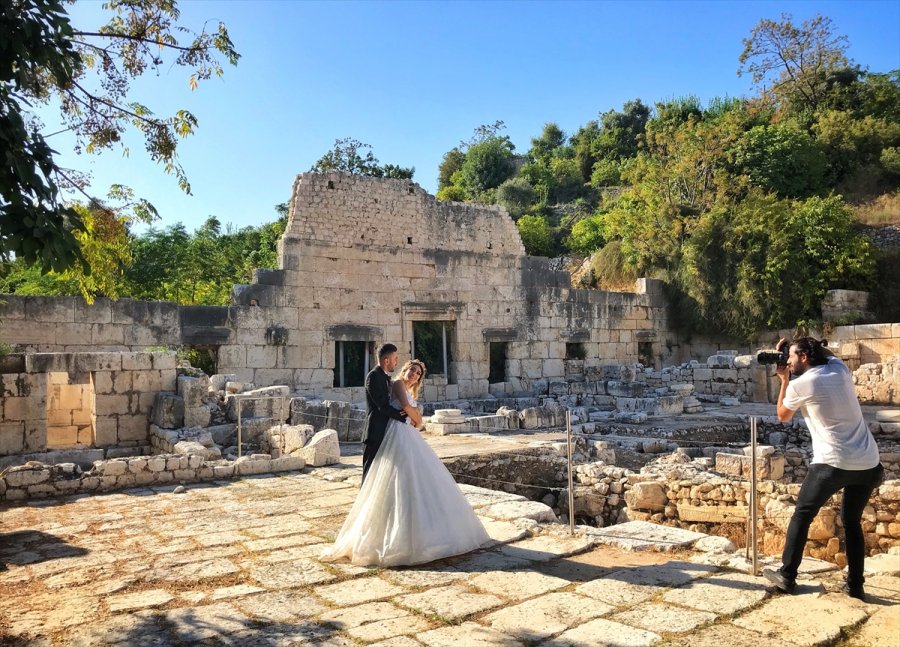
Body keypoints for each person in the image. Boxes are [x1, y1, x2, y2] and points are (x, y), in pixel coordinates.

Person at [320, 358, 490, 567]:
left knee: (418, 479)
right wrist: (415, 415)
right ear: (405, 369)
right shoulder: (398, 384)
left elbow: (417, 419)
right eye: (412, 370)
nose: (414, 374)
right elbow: (414, 415)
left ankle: (427, 533)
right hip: (397, 433)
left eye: (418, 373)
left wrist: (415, 416)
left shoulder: (410, 390)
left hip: (408, 434)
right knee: (397, 478)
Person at [763, 337, 883, 600]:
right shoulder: (839, 369)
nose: (788, 361)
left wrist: (783, 380)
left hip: (832, 461)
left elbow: (783, 416)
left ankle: (787, 575)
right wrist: (796, 345)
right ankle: (855, 586)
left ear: (805, 357)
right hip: (868, 462)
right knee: (851, 522)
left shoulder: (802, 384)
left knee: (802, 514)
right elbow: (825, 353)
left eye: (791, 356)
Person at [360, 343, 407, 483]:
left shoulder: (386, 377)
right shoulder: (373, 376)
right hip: (375, 432)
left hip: (386, 431)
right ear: (386, 361)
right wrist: (402, 416)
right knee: (370, 472)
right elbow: (382, 406)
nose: (396, 362)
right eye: (395, 359)